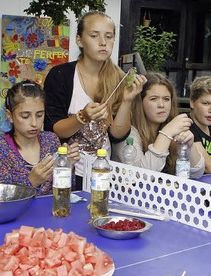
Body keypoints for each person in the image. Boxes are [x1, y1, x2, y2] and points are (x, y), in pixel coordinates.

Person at [43, 10, 146, 189]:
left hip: (102, 174)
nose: (103, 42)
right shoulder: (60, 76)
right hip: (66, 173)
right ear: (79, 40)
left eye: (109, 36)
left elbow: (117, 134)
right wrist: (82, 117)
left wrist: (128, 100)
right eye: (94, 35)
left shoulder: (119, 78)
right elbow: (55, 129)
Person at [0, 81, 79, 195]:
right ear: (9, 115)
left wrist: (67, 166)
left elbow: (65, 192)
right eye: (25, 116)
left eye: (40, 115)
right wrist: (31, 182)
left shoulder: (50, 140)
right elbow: (3, 198)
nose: (34, 123)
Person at [111, 73, 204, 178]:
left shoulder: (173, 128)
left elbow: (197, 173)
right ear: (140, 102)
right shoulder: (128, 131)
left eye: (166, 99)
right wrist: (166, 133)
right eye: (153, 99)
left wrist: (189, 147)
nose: (161, 105)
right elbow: (139, 176)